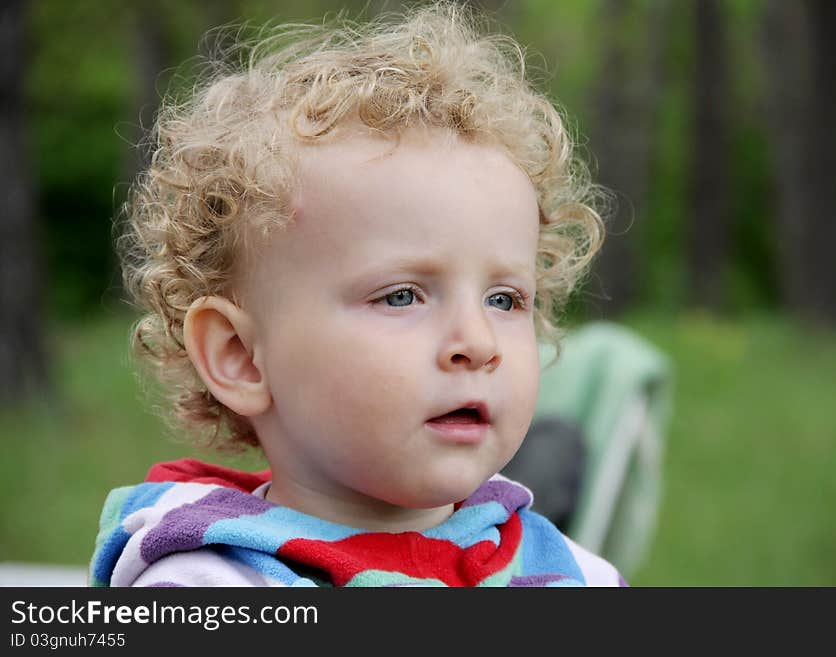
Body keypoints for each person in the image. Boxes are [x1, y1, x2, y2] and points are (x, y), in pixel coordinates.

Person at [89, 1, 625, 587]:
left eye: (504, 299)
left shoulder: (574, 575)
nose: (477, 343)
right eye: (401, 296)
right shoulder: (211, 584)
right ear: (240, 356)